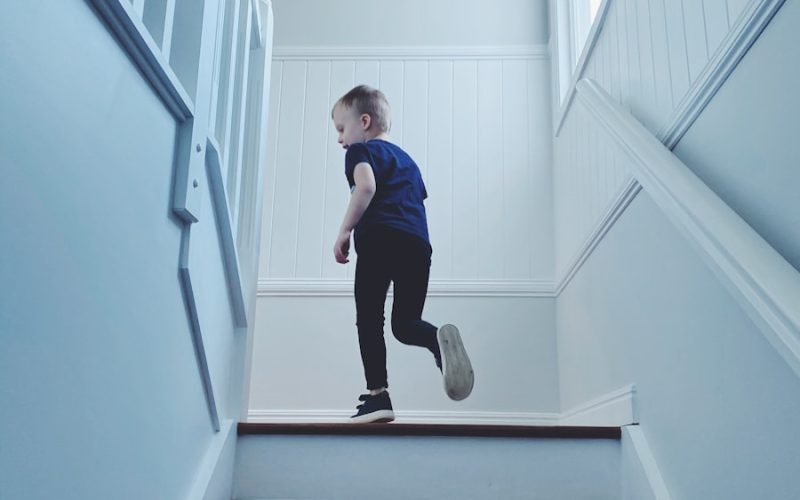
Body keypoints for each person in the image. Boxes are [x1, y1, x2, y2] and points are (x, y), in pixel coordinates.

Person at [331, 85, 474, 424]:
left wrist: (345, 230)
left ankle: (377, 396)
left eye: (341, 129)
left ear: (364, 122)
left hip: (379, 239)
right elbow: (417, 203)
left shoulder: (359, 152)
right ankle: (437, 342)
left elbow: (366, 187)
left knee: (370, 318)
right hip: (417, 245)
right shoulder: (408, 162)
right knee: (405, 324)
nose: (340, 140)